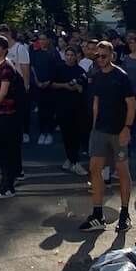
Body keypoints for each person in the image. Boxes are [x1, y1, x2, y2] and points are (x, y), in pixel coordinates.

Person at [79, 41, 135, 233]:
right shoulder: (96, 76)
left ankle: (124, 213)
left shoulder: (121, 76)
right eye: (98, 56)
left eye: (104, 56)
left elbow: (131, 104)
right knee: (95, 169)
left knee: (122, 171)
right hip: (100, 131)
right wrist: (94, 128)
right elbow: (96, 102)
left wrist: (127, 128)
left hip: (118, 130)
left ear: (111, 55)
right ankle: (97, 215)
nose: (100, 59)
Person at [0, 38, 24, 197]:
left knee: (7, 150)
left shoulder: (7, 67)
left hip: (8, 113)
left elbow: (3, 91)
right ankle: (4, 182)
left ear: (3, 49)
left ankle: (8, 186)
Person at [54, 42, 91, 176]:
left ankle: (75, 161)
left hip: (77, 107)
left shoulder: (80, 71)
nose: (69, 57)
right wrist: (65, 85)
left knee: (76, 134)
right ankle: (71, 159)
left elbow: (84, 89)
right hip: (62, 106)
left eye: (72, 55)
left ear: (76, 57)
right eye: (67, 55)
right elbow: (52, 84)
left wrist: (77, 87)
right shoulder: (59, 69)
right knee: (66, 134)